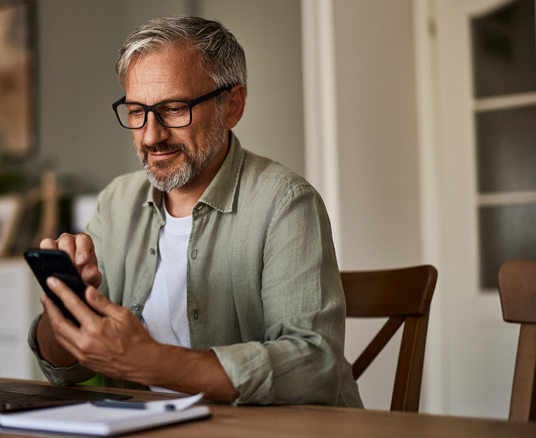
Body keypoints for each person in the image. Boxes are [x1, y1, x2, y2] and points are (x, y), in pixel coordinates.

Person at [28, 16, 363, 407]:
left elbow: (313, 368)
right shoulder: (116, 202)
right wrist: (65, 308)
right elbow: (64, 369)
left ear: (232, 105)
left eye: (173, 108)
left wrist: (149, 361)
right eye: (137, 111)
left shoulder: (286, 203)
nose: (151, 135)